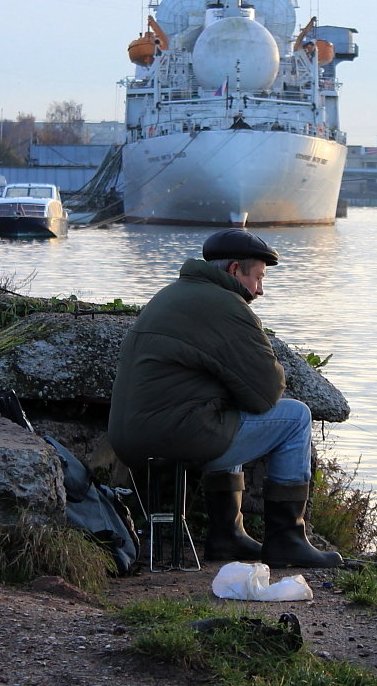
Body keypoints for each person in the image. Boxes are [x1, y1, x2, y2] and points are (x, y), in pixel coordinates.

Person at [108, 229, 341, 569]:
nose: (260, 289)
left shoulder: (172, 294)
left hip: (131, 439)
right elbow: (266, 392)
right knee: (295, 418)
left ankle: (226, 536)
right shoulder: (227, 306)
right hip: (174, 437)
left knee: (227, 411)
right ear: (235, 270)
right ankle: (287, 539)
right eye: (258, 277)